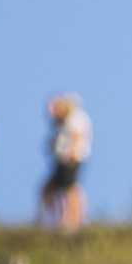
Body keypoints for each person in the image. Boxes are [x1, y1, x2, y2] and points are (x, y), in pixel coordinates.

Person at [38, 93, 93, 232]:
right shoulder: (62, 122)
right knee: (56, 190)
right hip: (63, 160)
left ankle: (74, 221)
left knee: (70, 189)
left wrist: (70, 154)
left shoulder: (75, 118)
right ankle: (61, 219)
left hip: (71, 159)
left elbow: (76, 136)